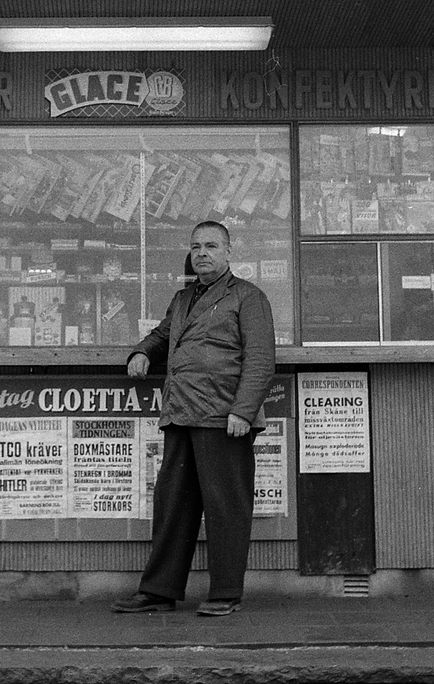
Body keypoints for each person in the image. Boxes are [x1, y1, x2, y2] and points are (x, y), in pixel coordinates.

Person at [111, 221, 275, 616]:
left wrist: (242, 410)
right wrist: (142, 352)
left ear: (229, 252)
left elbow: (261, 360)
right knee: (173, 506)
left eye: (212, 246)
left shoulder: (248, 297)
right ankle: (159, 591)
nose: (203, 253)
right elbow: (162, 335)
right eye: (196, 246)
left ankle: (225, 593)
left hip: (223, 417)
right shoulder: (183, 299)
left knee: (226, 507)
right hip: (182, 412)